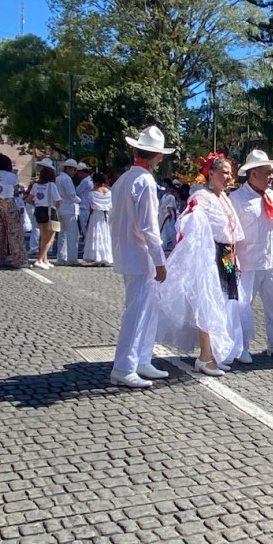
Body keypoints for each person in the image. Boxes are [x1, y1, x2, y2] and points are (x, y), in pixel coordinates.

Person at [156, 153, 243, 376]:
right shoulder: (202, 197)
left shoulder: (225, 198)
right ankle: (205, 356)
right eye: (223, 172)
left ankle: (213, 353)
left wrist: (234, 256)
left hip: (226, 256)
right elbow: (189, 221)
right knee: (208, 303)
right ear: (210, 174)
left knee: (223, 304)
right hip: (209, 255)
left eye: (229, 173)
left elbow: (231, 231)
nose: (228, 177)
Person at [110, 125, 174, 388]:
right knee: (137, 313)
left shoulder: (124, 179)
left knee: (145, 311)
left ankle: (141, 359)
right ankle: (124, 366)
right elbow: (149, 226)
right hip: (140, 255)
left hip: (129, 252)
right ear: (157, 156)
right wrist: (159, 261)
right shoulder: (145, 181)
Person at [229, 149, 273, 363]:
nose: (271, 176)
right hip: (248, 261)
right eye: (267, 172)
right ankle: (242, 346)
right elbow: (231, 231)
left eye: (271, 172)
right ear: (253, 174)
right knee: (243, 305)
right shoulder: (237, 199)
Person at [0, 154, 28, 269]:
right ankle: (19, 260)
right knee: (14, 233)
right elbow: (15, 191)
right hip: (9, 203)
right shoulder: (11, 176)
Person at [27, 159, 62, 270]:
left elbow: (28, 199)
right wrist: (55, 208)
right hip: (50, 211)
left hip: (39, 210)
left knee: (43, 236)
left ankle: (44, 260)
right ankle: (39, 259)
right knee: (50, 238)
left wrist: (37, 203)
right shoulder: (52, 185)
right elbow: (58, 201)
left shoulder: (36, 185)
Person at [83, 173, 113, 266]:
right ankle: (106, 257)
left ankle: (96, 256)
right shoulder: (110, 192)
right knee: (106, 235)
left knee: (96, 234)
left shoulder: (92, 193)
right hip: (106, 215)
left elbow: (90, 205)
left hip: (95, 215)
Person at [55, 158, 81, 265]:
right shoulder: (66, 179)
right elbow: (71, 194)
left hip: (60, 209)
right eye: (73, 170)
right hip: (69, 209)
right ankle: (72, 257)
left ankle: (61, 256)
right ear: (68, 168)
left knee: (62, 234)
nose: (74, 172)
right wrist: (79, 200)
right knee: (72, 234)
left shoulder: (58, 178)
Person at [158, 178, 179, 252]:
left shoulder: (171, 196)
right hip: (162, 215)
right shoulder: (164, 196)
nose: (163, 185)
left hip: (168, 216)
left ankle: (174, 244)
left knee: (170, 231)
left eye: (165, 183)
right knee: (164, 231)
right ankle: (165, 245)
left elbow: (171, 206)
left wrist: (169, 212)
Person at [75, 162, 95, 237]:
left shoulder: (85, 181)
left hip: (84, 207)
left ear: (82, 172)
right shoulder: (89, 180)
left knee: (85, 228)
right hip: (88, 205)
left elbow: (77, 191)